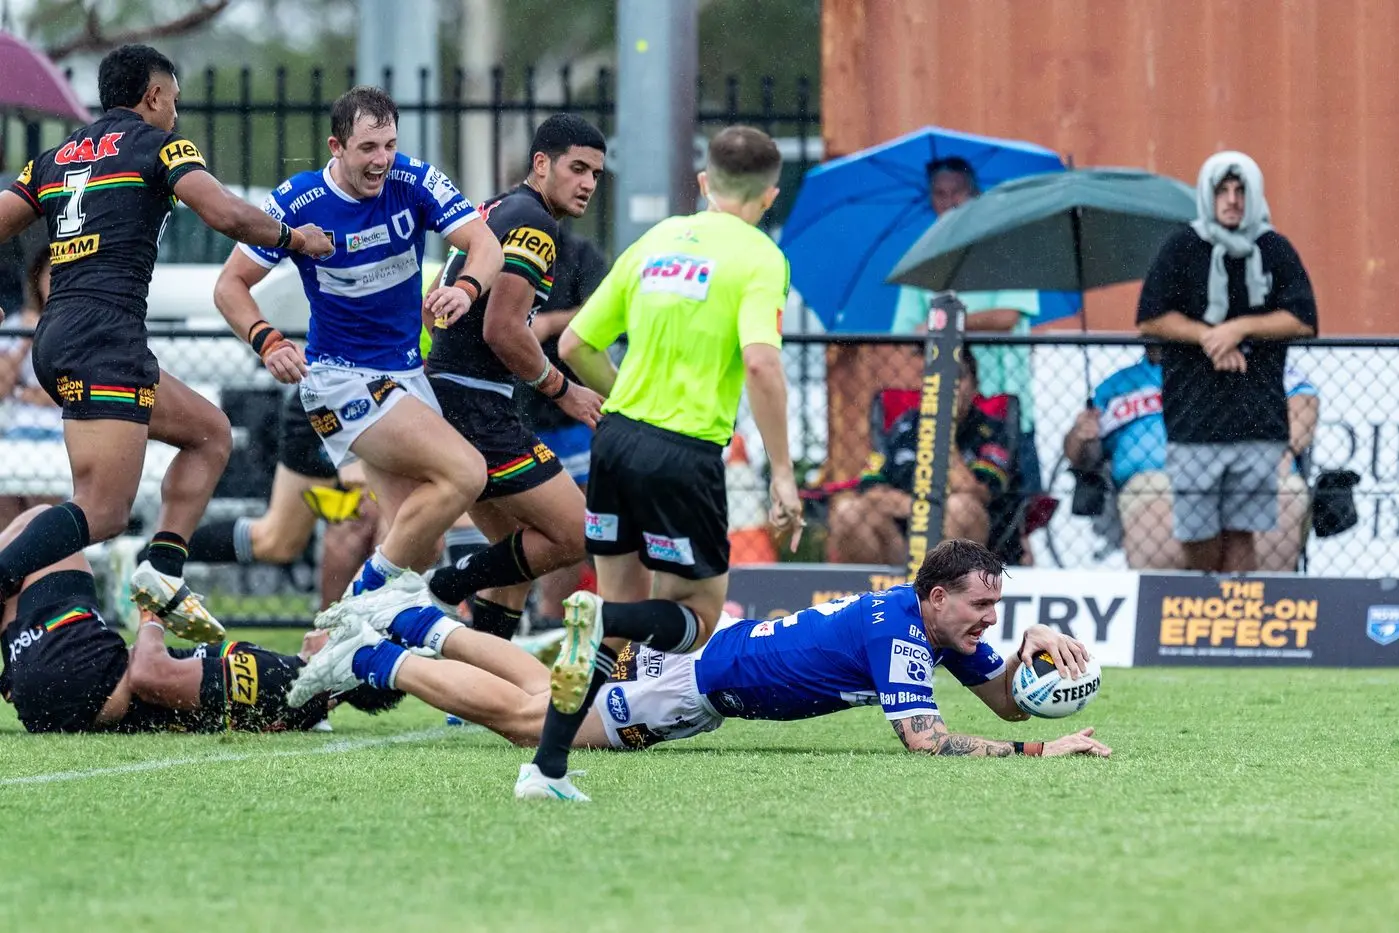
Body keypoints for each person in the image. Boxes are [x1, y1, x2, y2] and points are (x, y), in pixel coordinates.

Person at [0, 44, 333, 642]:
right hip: (105, 338)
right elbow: (226, 214)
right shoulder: (160, 146)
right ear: (153, 96)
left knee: (210, 433)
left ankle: (162, 570)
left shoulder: (52, 158)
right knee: (101, 511)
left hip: (62, 336)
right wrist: (293, 237)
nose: (175, 115)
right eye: (173, 102)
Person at [509, 125, 804, 799]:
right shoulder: (760, 256)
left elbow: (579, 342)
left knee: (619, 611)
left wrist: (628, 405)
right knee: (695, 614)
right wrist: (782, 472)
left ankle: (546, 769)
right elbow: (760, 360)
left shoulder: (656, 240)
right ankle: (600, 627)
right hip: (683, 451)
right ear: (769, 195)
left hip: (615, 440)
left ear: (703, 183)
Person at [286, 540, 1110, 772]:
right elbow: (927, 740)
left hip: (707, 665)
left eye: (999, 606)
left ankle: (404, 618)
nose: (989, 619)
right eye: (982, 605)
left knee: (544, 686)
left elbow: (997, 697)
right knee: (535, 724)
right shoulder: (900, 632)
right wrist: (1040, 746)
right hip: (696, 687)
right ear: (936, 598)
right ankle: (365, 662)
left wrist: (1026, 653)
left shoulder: (928, 620)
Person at [211, 85, 503, 602]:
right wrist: (268, 341)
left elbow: (485, 243)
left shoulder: (412, 180)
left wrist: (465, 288)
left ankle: (343, 654)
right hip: (339, 379)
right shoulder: (298, 201)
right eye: (368, 148)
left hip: (405, 376)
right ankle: (349, 610)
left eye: (389, 145)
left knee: (422, 544)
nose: (382, 160)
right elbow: (229, 285)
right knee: (466, 472)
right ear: (336, 147)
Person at [420, 115, 607, 641]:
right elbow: (505, 330)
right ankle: (441, 588)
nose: (588, 183)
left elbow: (434, 304)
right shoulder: (537, 225)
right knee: (572, 533)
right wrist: (563, 389)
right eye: (577, 169)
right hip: (477, 405)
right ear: (541, 163)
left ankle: (477, 691)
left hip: (453, 395)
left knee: (518, 559)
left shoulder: (496, 209)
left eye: (596, 173)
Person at [0, 505, 345, 734]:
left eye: (343, 636)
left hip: (84, 679)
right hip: (55, 687)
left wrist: (154, 615)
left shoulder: (283, 680)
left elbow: (151, 675)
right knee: (26, 551)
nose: (328, 626)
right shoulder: (292, 689)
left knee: (45, 527)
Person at [1136, 151, 1318, 573]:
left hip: (1257, 417)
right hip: (1193, 419)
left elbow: (1304, 319)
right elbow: (1151, 317)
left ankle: (1234, 623)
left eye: (1241, 191)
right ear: (1208, 195)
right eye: (1223, 191)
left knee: (1242, 532)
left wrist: (1239, 329)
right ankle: (1203, 611)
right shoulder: (1183, 246)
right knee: (1197, 535)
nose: (1233, 200)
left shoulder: (1273, 248)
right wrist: (1208, 336)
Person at [1063, 347, 1319, 571]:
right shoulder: (1119, 385)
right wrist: (1081, 436)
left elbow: (1303, 399)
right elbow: (1081, 456)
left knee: (1282, 494)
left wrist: (1281, 453)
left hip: (1242, 473)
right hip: (1155, 483)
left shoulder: (1236, 363)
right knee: (1154, 503)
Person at [891, 157, 1044, 494]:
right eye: (940, 194)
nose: (949, 202)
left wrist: (943, 324)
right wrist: (936, 329)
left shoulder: (1007, 249)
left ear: (975, 195)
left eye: (957, 192)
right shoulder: (921, 258)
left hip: (1007, 408)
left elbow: (1007, 317)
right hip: (947, 410)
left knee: (1018, 519)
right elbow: (905, 332)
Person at [827, 351, 1020, 564]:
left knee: (960, 508)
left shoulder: (991, 429)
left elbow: (977, 493)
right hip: (901, 536)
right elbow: (869, 486)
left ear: (974, 385)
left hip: (963, 538)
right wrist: (917, 508)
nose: (948, 384)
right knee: (848, 510)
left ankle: (947, 585)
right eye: (936, 376)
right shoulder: (905, 425)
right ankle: (878, 592)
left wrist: (942, 430)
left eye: (957, 375)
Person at [517, 228, 611, 628]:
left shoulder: (582, 251)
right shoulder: (508, 242)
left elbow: (601, 310)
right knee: (530, 521)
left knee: (581, 522)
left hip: (572, 412)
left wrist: (550, 323)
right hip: (516, 410)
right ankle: (526, 618)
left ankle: (556, 622)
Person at [0, 250, 63, 526]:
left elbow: (76, 391)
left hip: (61, 430)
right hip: (16, 430)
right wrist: (27, 338)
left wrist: (29, 394)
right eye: (50, 274)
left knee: (42, 508)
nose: (55, 281)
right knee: (6, 502)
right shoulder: (17, 324)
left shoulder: (84, 327)